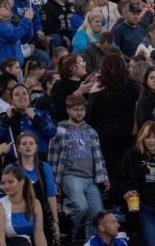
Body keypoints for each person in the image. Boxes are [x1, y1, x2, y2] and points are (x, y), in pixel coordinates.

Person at [48, 94, 108, 242]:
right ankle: (69, 235)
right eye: (75, 109)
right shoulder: (59, 130)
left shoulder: (91, 131)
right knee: (81, 207)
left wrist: (104, 176)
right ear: (68, 110)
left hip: (91, 178)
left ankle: (90, 242)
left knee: (97, 214)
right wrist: (53, 182)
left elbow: (98, 157)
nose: (79, 113)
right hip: (71, 176)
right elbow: (53, 158)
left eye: (82, 110)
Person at [0, 163, 47, 246]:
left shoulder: (35, 203)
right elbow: (0, 242)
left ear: (21, 182)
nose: (6, 186)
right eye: (3, 183)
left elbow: (39, 236)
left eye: (10, 182)